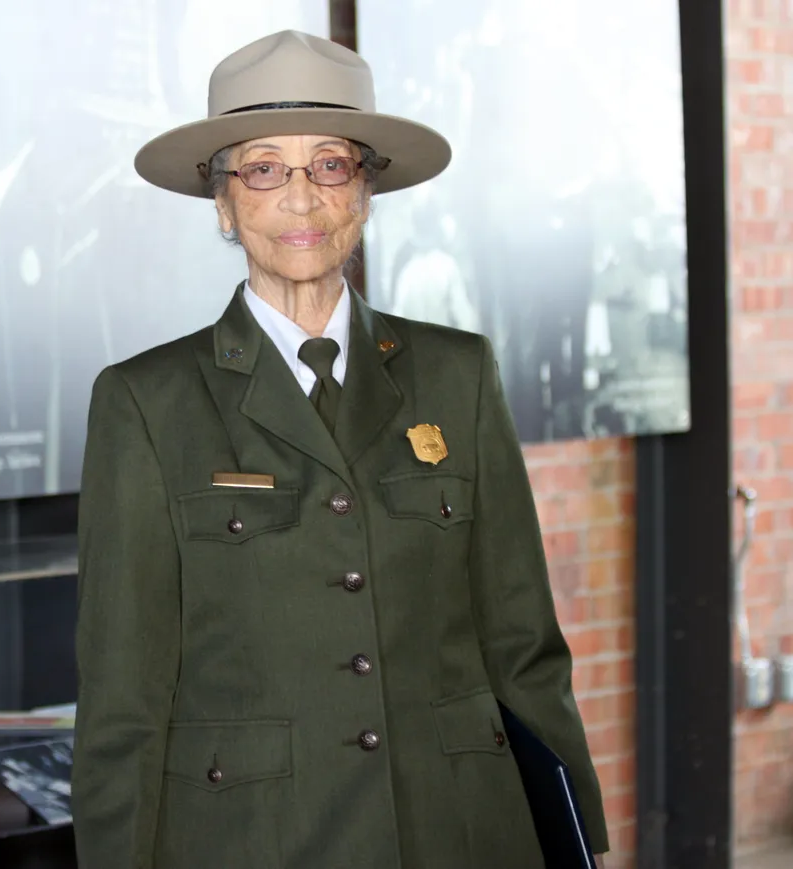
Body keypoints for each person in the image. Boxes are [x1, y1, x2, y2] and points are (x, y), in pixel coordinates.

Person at [70, 29, 609, 869]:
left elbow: (523, 643)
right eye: (261, 168)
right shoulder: (146, 402)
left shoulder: (458, 373)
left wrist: (583, 843)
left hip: (460, 830)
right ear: (223, 202)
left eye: (328, 164)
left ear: (365, 189)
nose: (299, 198)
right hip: (252, 841)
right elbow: (123, 696)